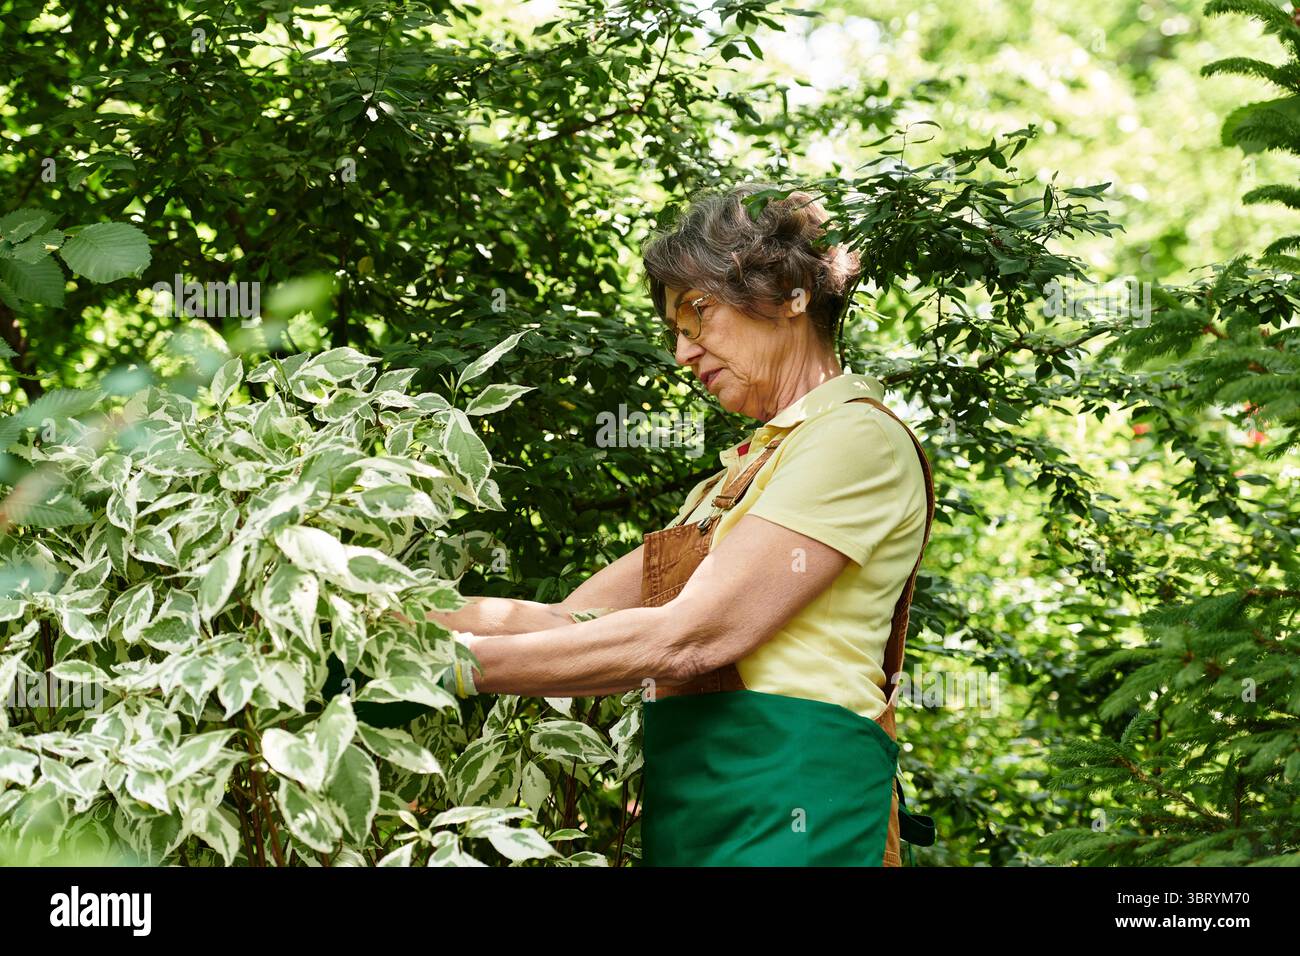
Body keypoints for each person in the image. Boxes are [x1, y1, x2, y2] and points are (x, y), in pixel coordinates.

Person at [427, 182, 937, 866]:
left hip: (800, 820)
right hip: (705, 818)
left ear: (790, 297)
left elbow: (693, 636)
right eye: (675, 331)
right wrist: (373, 619)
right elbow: (569, 624)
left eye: (700, 315)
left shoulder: (851, 439)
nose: (683, 352)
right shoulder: (736, 480)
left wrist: (445, 670)